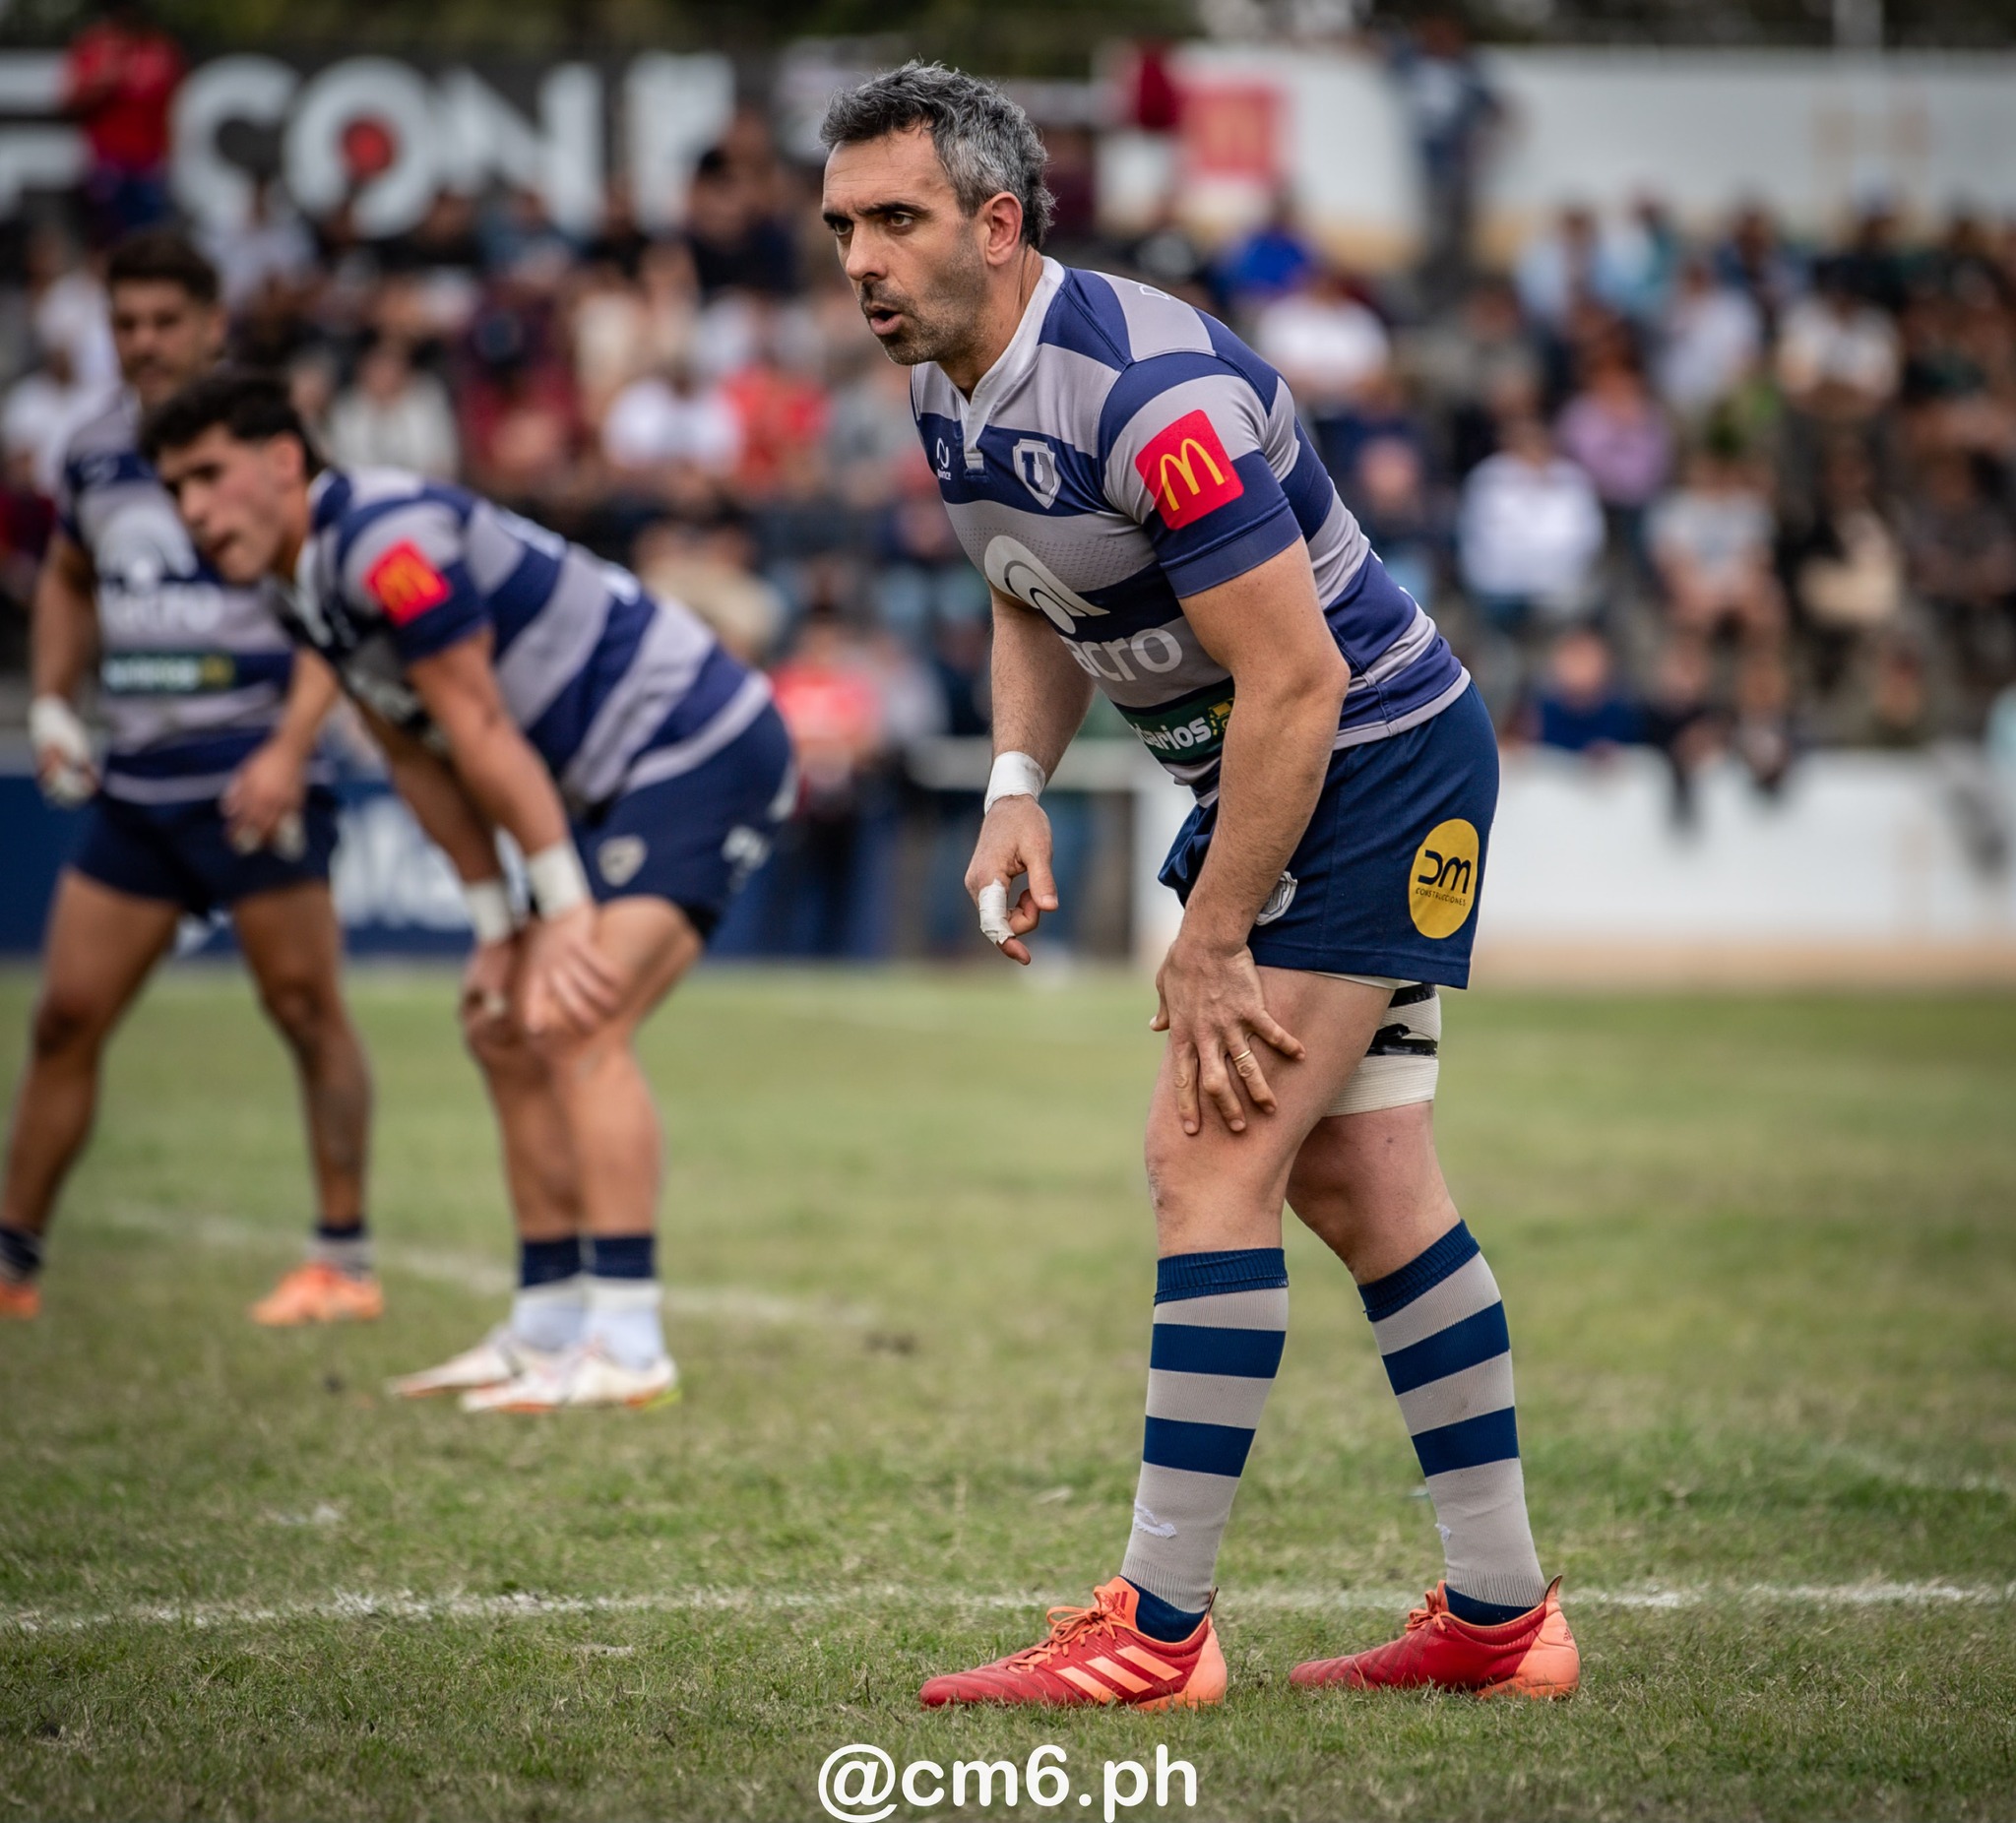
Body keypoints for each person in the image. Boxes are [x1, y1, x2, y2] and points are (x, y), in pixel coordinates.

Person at [820, 62, 1577, 1708]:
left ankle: (1156, 1636)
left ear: (996, 223)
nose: (858, 262)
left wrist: (1212, 930)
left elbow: (1296, 684)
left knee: (1203, 1155)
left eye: (894, 221)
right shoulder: (946, 380)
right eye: (840, 229)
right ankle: (1504, 1620)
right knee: (1361, 1188)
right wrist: (1015, 785)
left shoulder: (1147, 396)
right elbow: (1031, 593)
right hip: (1294, 771)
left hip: (1363, 763)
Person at [142, 369, 797, 1412]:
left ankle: (627, 1342)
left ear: (281, 461)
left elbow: (480, 728)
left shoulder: (385, 545)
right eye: (175, 487)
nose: (191, 509)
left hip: (696, 746)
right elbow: (417, 755)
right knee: (500, 1020)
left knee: (576, 1015)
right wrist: (498, 922)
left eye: (208, 475)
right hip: (605, 782)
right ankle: (546, 1327)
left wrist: (562, 914)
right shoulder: (299, 578)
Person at [0, 231, 373, 1327]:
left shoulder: (271, 437)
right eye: (126, 324)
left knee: (304, 1010)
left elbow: (336, 588)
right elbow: (70, 576)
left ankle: (342, 1262)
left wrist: (289, 745)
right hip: (140, 778)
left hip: (255, 764)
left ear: (214, 323)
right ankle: (12, 1262)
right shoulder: (92, 449)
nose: (145, 343)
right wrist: (60, 701)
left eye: (166, 321)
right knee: (66, 1014)